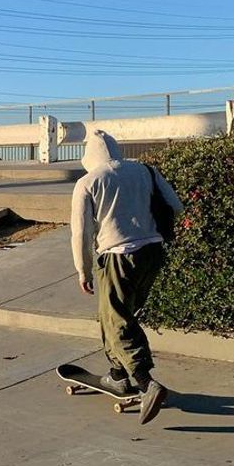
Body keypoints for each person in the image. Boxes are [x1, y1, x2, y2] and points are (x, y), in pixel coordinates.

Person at [70, 131, 184, 425]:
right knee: (122, 316)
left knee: (116, 320)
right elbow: (176, 205)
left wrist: (82, 269)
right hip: (153, 253)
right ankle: (118, 375)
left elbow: (80, 233)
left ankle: (147, 383)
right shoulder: (145, 170)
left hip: (118, 257)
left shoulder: (88, 182)